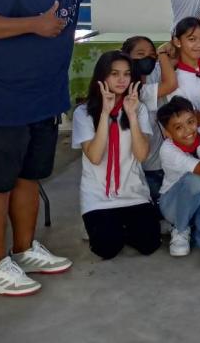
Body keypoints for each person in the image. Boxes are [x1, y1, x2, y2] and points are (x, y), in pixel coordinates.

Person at [0, 0, 188, 296]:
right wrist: (34, 24)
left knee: (29, 179)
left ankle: (23, 250)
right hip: (5, 102)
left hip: (44, 101)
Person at [70, 51, 159, 261]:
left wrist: (131, 115)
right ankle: (101, 224)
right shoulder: (83, 112)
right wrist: (104, 113)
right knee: (107, 249)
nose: (122, 80)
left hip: (133, 193)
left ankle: (120, 224)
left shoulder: (139, 109)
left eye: (127, 74)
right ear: (102, 76)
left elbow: (142, 155)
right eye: (114, 74)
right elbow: (94, 156)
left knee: (149, 244)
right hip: (99, 197)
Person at [157, 97, 200, 259]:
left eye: (190, 122)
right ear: (167, 133)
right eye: (178, 127)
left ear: (196, 117)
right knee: (197, 179)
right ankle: (180, 228)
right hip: (173, 204)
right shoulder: (167, 150)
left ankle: (190, 226)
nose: (188, 130)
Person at [120, 35, 177, 202]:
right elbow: (171, 84)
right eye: (140, 54)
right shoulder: (133, 90)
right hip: (147, 165)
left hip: (163, 161)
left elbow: (174, 61)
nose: (147, 58)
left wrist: (170, 47)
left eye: (152, 54)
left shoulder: (154, 72)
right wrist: (162, 53)